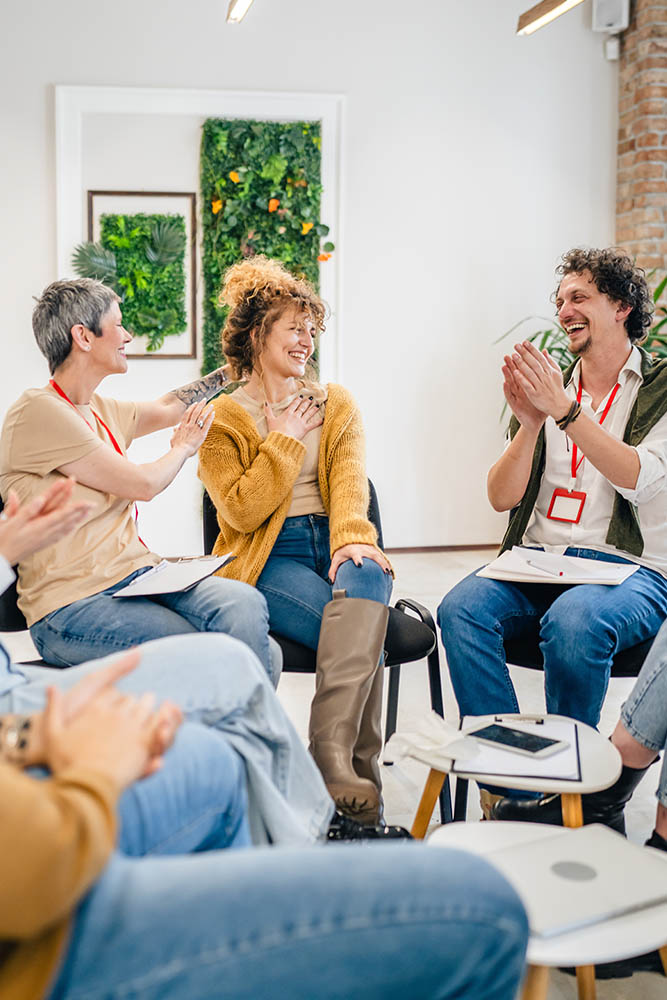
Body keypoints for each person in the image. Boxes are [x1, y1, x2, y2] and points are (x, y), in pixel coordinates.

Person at [0, 654, 530, 1000]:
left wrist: (25, 737)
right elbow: (41, 863)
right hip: (34, 941)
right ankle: (325, 815)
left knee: (219, 757)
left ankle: (323, 802)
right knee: (488, 910)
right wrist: (97, 766)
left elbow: (348, 484)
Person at [437, 249, 667, 797]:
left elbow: (641, 479)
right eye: (560, 301)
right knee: (460, 608)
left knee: (575, 621)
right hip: (542, 561)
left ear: (621, 306)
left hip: (631, 571)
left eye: (579, 297)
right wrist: (529, 425)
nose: (564, 311)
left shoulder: (659, 387)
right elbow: (500, 497)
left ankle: (575, 791)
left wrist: (565, 412)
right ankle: (515, 785)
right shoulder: (550, 389)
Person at [0, 278, 279, 683]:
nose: (127, 335)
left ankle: (243, 742)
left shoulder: (97, 408)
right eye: (118, 325)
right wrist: (182, 448)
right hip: (72, 607)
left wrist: (238, 369)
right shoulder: (38, 412)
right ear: (83, 336)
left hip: (136, 578)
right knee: (218, 654)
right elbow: (143, 485)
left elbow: (167, 406)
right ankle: (250, 743)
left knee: (242, 604)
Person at [198, 256, 393, 823]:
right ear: (258, 334)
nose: (306, 339)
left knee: (369, 581)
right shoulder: (222, 420)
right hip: (266, 555)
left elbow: (352, 484)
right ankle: (356, 788)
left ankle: (331, 767)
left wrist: (353, 540)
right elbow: (239, 509)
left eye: (312, 329)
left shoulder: (335, 403)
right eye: (294, 327)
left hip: (334, 543)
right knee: (367, 638)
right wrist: (282, 441)